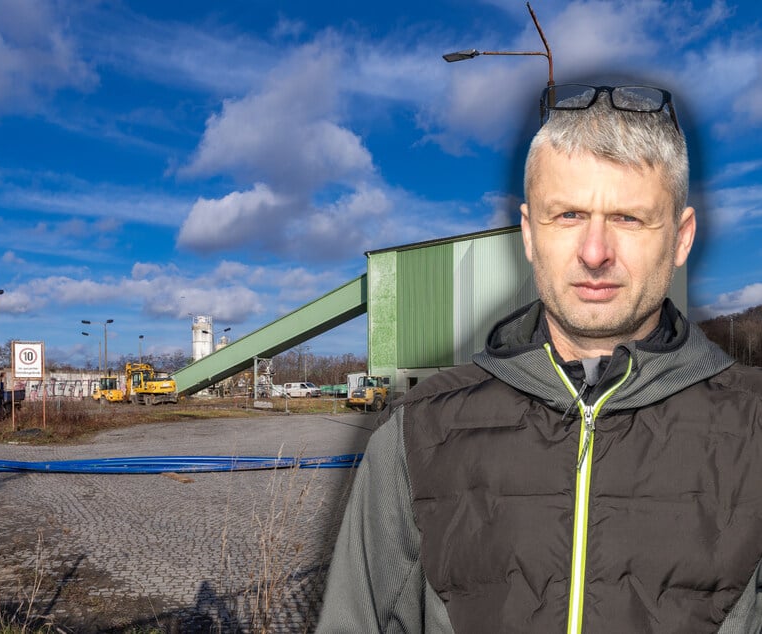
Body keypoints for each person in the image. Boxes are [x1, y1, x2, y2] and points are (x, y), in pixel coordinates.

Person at [316, 84, 762, 633]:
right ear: (529, 233)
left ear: (681, 238)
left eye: (628, 218)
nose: (595, 252)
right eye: (568, 215)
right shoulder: (416, 435)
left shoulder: (754, 429)